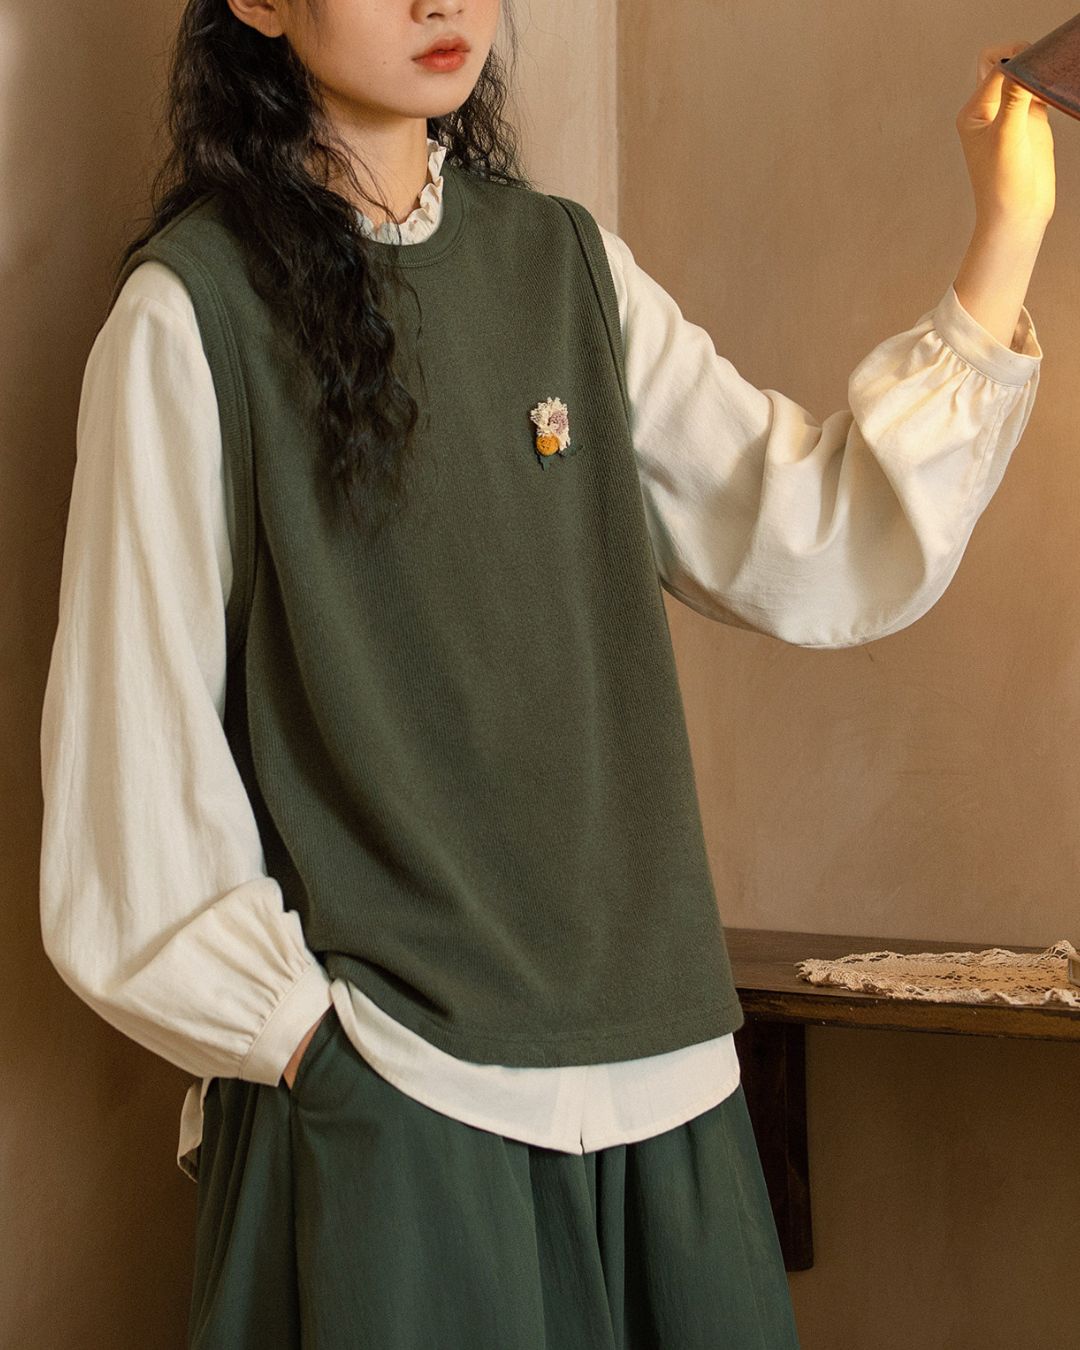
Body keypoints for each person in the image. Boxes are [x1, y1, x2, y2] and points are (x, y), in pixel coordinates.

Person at [38, 0, 1052, 1344]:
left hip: (668, 1089)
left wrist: (1006, 236)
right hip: (401, 1106)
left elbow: (809, 534)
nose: (442, 2)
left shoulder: (571, 268)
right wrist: (316, 1053)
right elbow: (134, 779)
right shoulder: (188, 316)